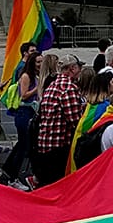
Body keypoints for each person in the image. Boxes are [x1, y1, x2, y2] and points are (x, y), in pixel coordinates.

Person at [34, 54, 85, 186]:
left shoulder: (52, 86)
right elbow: (76, 121)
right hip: (59, 147)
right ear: (72, 68)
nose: (79, 71)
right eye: (78, 67)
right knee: (58, 186)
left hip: (45, 143)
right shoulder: (68, 88)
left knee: (47, 186)